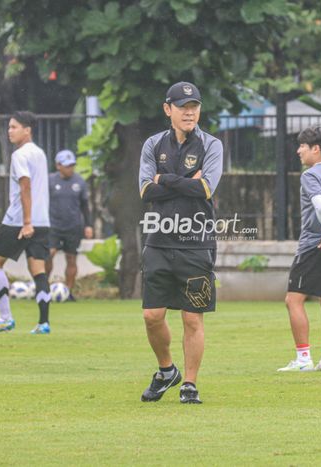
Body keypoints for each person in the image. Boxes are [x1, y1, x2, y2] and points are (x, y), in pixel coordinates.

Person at [137, 81, 223, 404]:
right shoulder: (152, 144)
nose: (190, 112)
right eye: (183, 107)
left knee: (191, 317)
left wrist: (165, 180)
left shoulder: (212, 145)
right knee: (152, 316)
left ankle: (189, 383)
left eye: (195, 106)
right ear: (167, 109)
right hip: (158, 240)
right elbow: (146, 191)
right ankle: (166, 370)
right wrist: (186, 181)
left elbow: (206, 190)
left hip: (196, 241)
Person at [278, 126, 321, 373]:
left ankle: (303, 358)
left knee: (293, 300)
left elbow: (320, 206)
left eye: (303, 146)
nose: (299, 151)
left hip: (316, 244)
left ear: (315, 149)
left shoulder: (310, 175)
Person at [0, 111, 53, 335]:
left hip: (20, 221)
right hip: (43, 220)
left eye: (14, 127)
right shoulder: (39, 153)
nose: (9, 131)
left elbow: (25, 187)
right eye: (9, 127)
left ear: (27, 130)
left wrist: (27, 222)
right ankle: (43, 323)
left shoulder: (19, 155)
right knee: (38, 271)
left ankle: (5, 318)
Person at [45, 149, 94, 301]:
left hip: (73, 226)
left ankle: (68, 292)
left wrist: (88, 225)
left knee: (71, 258)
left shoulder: (79, 181)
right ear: (58, 165)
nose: (70, 168)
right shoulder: (50, 181)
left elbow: (85, 205)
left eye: (72, 165)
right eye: (67, 165)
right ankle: (43, 289)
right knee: (49, 254)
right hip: (53, 225)